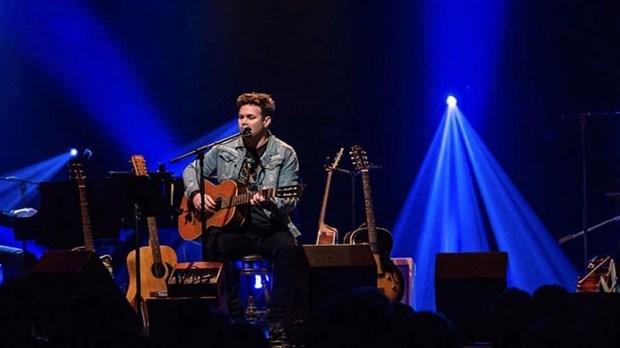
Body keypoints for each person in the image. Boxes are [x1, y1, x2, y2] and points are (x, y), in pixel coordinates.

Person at [182, 92, 301, 347]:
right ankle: (232, 319)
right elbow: (191, 170)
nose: (244, 122)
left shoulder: (285, 153)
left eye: (251, 117)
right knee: (213, 243)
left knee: (288, 249)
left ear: (266, 121)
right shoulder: (225, 148)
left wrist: (270, 201)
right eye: (240, 117)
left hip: (269, 227)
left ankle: (277, 320)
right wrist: (195, 194)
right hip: (234, 230)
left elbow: (289, 200)